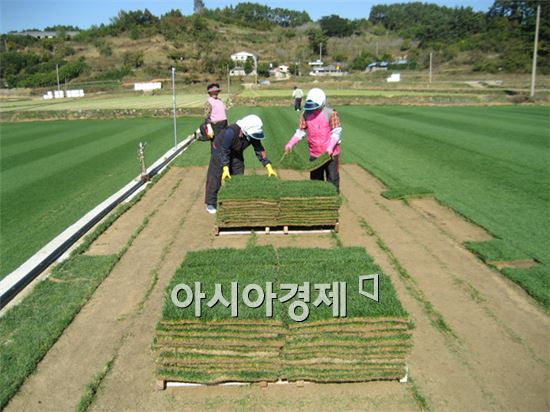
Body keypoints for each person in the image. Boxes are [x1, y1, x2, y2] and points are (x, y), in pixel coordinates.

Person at [205, 114, 278, 214]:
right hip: (220, 150)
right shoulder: (230, 132)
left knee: (238, 171)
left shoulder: (252, 134)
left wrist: (268, 166)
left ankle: (234, 198)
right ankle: (211, 202)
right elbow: (224, 151)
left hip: (236, 151)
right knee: (216, 174)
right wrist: (226, 168)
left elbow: (259, 149)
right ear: (245, 129)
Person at [284, 88, 342, 192]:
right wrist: (290, 144)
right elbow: (300, 132)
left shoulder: (331, 113)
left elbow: (336, 133)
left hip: (331, 153)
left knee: (332, 178)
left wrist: (329, 148)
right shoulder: (305, 114)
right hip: (315, 154)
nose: (313, 109)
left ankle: (332, 201)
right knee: (316, 180)